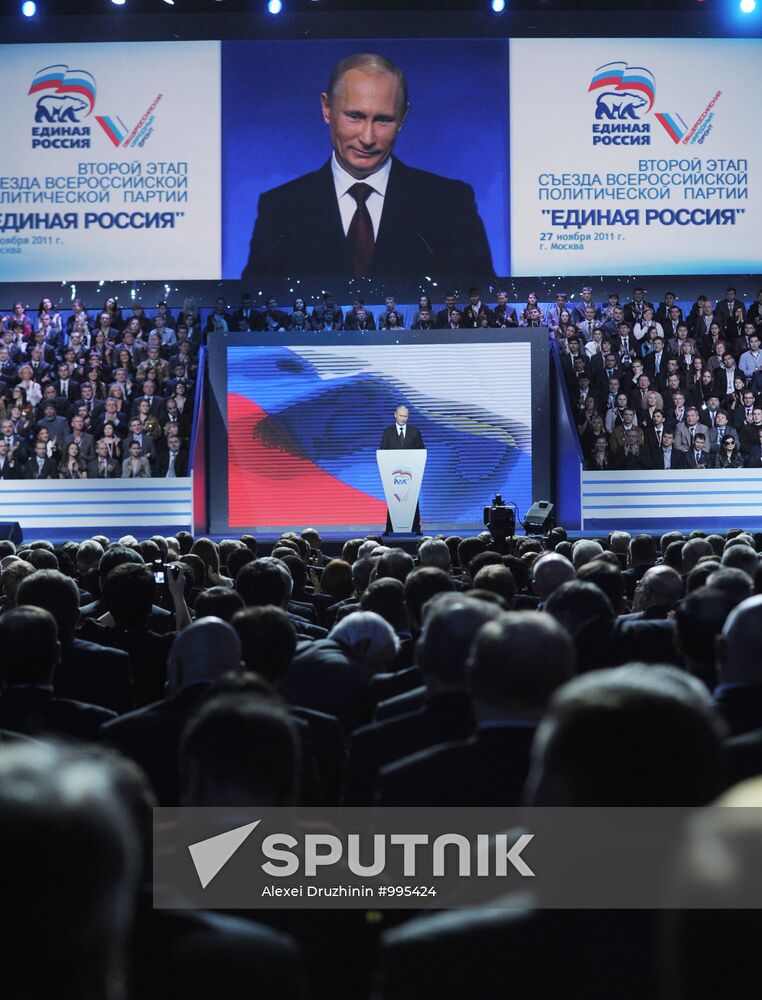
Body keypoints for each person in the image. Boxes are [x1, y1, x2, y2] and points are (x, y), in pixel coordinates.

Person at [241, 52, 494, 281]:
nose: (367, 138)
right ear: (327, 108)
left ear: (403, 118)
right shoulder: (280, 208)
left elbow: (482, 305)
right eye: (355, 116)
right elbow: (254, 315)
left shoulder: (450, 204)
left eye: (383, 120)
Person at [379, 404, 424, 534]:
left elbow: (421, 451)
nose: (403, 418)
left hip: (411, 472)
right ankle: (390, 528)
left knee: (412, 498)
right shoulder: (388, 432)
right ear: (395, 415)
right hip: (393, 473)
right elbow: (383, 452)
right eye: (401, 415)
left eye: (405, 416)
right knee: (393, 498)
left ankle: (416, 527)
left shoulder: (414, 431)